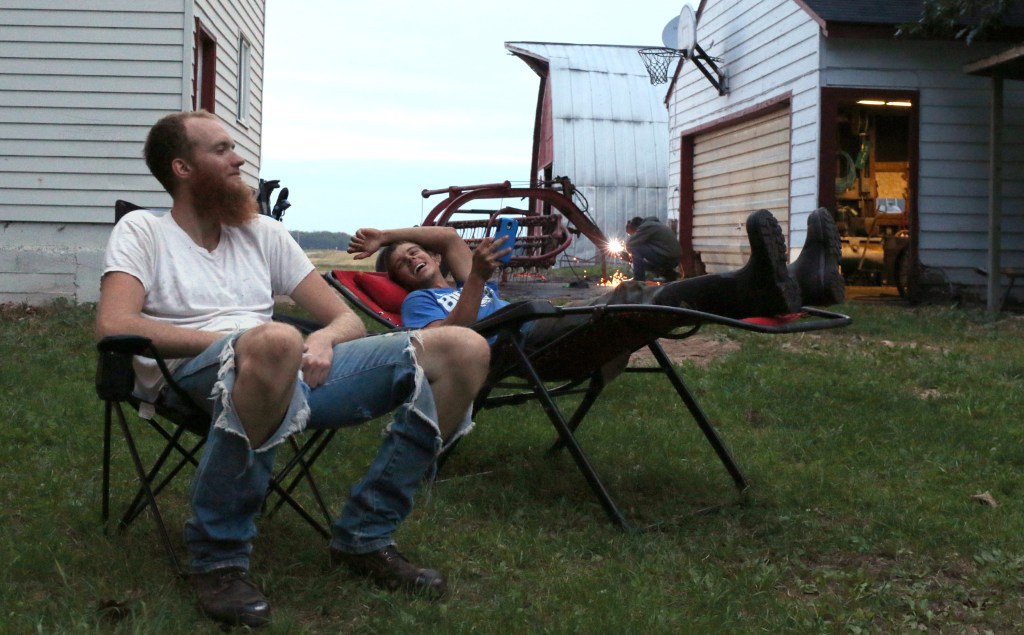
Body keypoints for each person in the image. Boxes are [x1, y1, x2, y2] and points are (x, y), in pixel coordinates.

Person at [95, 110, 491, 628]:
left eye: (234, 147)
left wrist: (323, 340)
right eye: (221, 150)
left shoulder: (263, 233)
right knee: (277, 339)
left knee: (462, 347)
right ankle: (217, 560)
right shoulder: (142, 230)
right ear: (182, 168)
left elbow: (346, 320)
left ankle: (366, 535)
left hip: (288, 369)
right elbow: (113, 324)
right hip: (189, 376)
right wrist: (240, 343)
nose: (239, 159)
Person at [347, 207, 844, 346]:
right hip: (527, 342)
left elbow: (449, 237)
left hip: (549, 324)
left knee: (644, 297)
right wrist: (477, 282)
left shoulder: (455, 273)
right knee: (643, 302)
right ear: (403, 282)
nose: (411, 258)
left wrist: (387, 235)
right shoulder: (416, 306)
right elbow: (449, 338)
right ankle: (769, 283)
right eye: (399, 265)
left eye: (416, 252)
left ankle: (805, 281)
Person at [624, 215, 682, 281]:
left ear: (636, 227)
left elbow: (630, 244)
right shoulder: (654, 224)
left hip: (667, 257)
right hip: (674, 258)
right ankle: (670, 275)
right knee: (643, 262)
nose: (633, 235)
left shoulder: (646, 226)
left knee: (635, 248)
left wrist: (626, 254)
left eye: (632, 234)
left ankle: (638, 280)